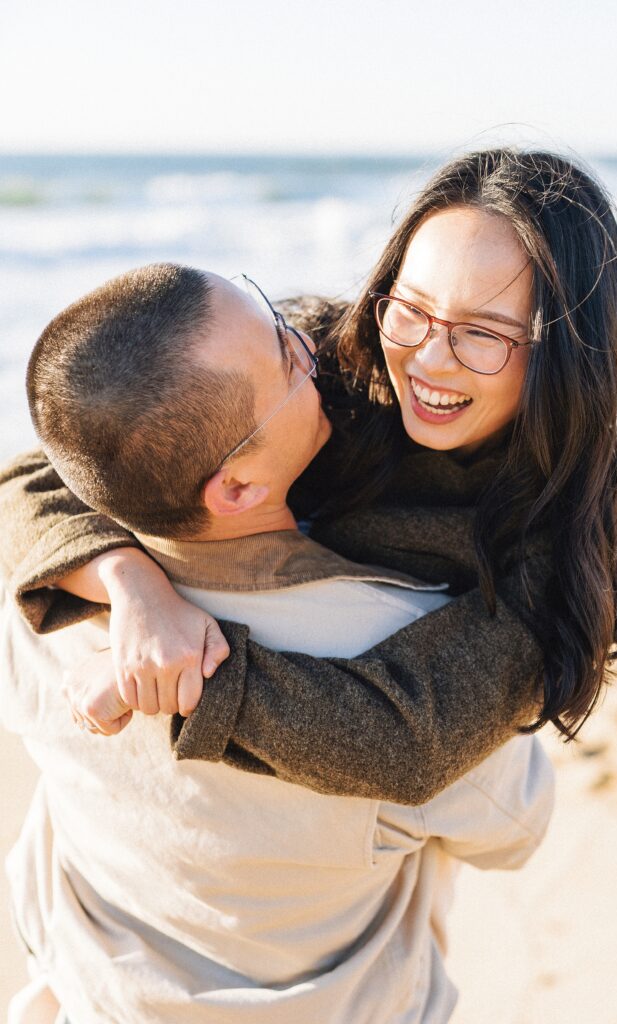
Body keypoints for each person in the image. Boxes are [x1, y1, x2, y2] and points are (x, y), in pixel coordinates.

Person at [1, 265, 554, 1024]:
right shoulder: (390, 643)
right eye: (286, 359)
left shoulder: (35, 596)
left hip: (95, 996)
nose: (308, 344)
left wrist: (127, 576)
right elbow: (514, 831)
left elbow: (33, 476)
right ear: (234, 488)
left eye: (271, 315)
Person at [0, 148, 617, 801]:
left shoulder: (560, 527)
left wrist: (186, 678)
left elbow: (406, 739)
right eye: (411, 306)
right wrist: (132, 589)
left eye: (481, 334)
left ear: (561, 353)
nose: (427, 360)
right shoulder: (322, 364)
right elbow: (65, 461)